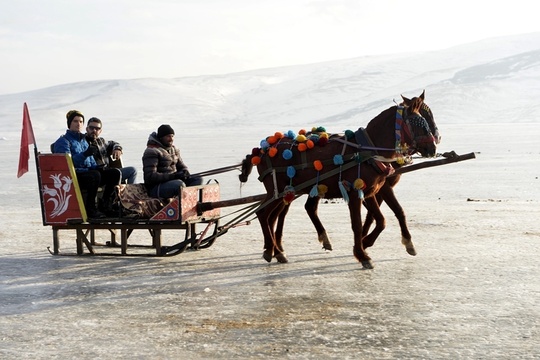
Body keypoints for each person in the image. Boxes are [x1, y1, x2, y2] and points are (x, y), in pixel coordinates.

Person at [53, 110, 121, 218]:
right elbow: (67, 163)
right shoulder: (63, 141)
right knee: (95, 175)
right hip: (74, 176)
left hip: (89, 173)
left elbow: (91, 162)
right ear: (69, 123)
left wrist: (98, 167)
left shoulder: (83, 141)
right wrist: (84, 155)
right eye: (75, 121)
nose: (78, 124)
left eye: (81, 121)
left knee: (114, 173)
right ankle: (90, 209)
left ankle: (106, 205)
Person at [142, 124, 203, 199]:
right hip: (156, 187)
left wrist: (185, 172)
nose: (171, 139)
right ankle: (180, 204)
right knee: (179, 185)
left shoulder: (174, 149)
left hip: (173, 181)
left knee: (197, 179)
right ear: (161, 137)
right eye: (168, 136)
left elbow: (182, 166)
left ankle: (187, 203)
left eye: (172, 136)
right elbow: (150, 177)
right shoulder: (152, 151)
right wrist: (173, 176)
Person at [84, 117, 137, 184]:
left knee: (132, 170)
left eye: (97, 129)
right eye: (91, 128)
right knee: (116, 174)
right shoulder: (83, 142)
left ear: (100, 131)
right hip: (94, 175)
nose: (94, 130)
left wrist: (117, 148)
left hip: (109, 172)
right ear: (87, 129)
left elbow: (114, 143)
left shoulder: (101, 141)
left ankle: (130, 193)